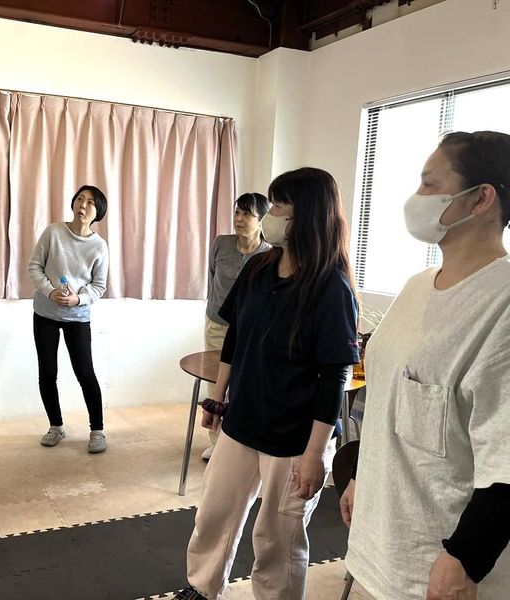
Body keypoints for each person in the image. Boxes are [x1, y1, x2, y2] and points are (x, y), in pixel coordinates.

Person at [176, 167, 360, 600]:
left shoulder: (331, 288)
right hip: (243, 422)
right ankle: (202, 588)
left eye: (278, 206)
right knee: (214, 514)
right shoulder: (259, 267)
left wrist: (314, 455)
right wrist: (217, 399)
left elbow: (335, 376)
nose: (270, 214)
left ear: (306, 216)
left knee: (277, 538)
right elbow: (235, 336)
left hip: (295, 438)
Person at [342, 131, 510, 600]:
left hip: (440, 567)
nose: (416, 198)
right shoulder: (417, 285)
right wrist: (361, 475)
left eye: (430, 185)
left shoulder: (501, 304)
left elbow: (506, 459)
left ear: (481, 198)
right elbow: (390, 397)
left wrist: (466, 559)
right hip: (379, 543)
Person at [28, 185, 109, 453]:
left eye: (90, 202)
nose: (83, 205)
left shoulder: (99, 246)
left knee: (85, 373)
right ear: (73, 203)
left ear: (98, 212)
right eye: (80, 199)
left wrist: (79, 299)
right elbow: (34, 267)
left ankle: (97, 431)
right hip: (46, 313)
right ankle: (56, 427)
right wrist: (50, 291)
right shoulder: (53, 232)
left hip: (77, 317)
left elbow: (99, 286)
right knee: (47, 373)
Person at [201, 192, 270, 460]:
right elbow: (212, 277)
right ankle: (216, 441)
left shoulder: (269, 254)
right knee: (216, 382)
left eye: (247, 214)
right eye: (237, 212)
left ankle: (237, 441)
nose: (239, 219)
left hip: (252, 331)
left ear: (262, 219)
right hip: (218, 324)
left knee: (244, 384)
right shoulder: (221, 244)